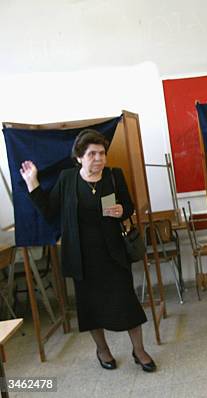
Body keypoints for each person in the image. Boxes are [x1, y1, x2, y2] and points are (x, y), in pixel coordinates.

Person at [20, 129, 156, 372]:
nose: (99, 158)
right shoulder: (67, 179)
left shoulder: (114, 176)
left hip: (113, 255)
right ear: (79, 157)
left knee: (127, 303)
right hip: (83, 258)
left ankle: (139, 349)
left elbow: (128, 206)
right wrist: (33, 184)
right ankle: (102, 350)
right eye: (92, 154)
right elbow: (50, 212)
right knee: (91, 308)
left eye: (102, 153)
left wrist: (121, 211)